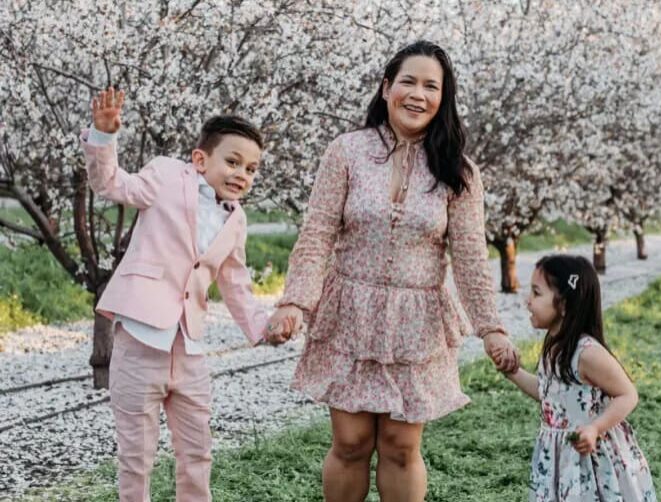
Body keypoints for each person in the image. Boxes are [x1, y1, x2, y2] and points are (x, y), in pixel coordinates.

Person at [265, 41, 519, 502]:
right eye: (408, 81)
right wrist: (295, 302)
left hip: (416, 321)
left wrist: (491, 327)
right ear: (386, 88)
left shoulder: (458, 172)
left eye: (431, 86)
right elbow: (317, 233)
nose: (417, 94)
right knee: (351, 442)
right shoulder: (347, 152)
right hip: (349, 315)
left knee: (402, 446)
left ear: (443, 98)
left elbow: (468, 257)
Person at [80, 87, 292, 501]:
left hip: (190, 349)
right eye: (232, 162)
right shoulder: (164, 176)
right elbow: (110, 184)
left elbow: (235, 284)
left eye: (251, 169)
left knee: (197, 451)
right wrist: (104, 139)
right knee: (136, 456)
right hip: (141, 338)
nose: (242, 175)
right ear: (200, 159)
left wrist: (265, 328)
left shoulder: (237, 219)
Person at [498, 254, 656, 501]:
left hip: (591, 457)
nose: (527, 302)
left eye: (537, 293)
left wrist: (595, 428)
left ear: (564, 305)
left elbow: (628, 394)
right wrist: (513, 372)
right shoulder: (555, 346)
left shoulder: (587, 352)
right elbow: (549, 395)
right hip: (560, 455)